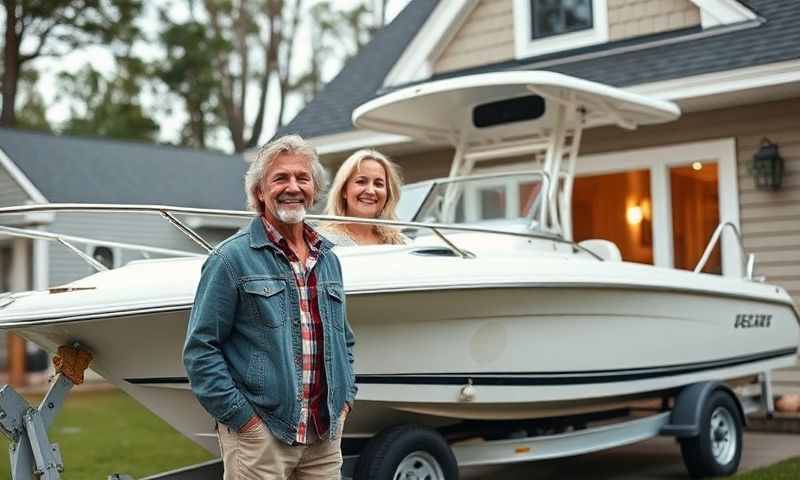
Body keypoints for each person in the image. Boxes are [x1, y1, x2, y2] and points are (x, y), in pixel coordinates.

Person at [183, 135, 357, 480]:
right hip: (260, 439)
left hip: (323, 437)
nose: (292, 187)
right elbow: (201, 352)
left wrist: (344, 402)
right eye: (280, 178)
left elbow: (344, 341)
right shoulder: (230, 259)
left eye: (302, 178)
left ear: (314, 189)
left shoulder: (328, 259)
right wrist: (244, 421)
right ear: (260, 191)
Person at [322, 149, 407, 245]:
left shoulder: (400, 242)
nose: (370, 191)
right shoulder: (322, 243)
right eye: (361, 182)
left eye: (378, 184)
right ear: (343, 190)